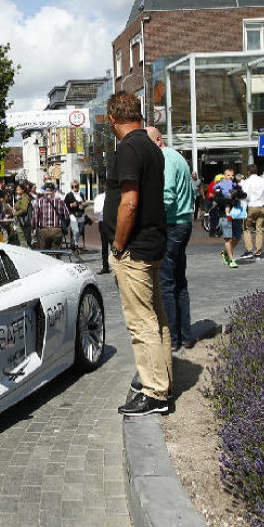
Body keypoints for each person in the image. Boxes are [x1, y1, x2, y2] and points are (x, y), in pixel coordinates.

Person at [102, 93, 170, 417]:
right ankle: (162, 380)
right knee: (157, 319)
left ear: (113, 119)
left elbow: (129, 203)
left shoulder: (129, 148)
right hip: (153, 244)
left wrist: (116, 247)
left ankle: (155, 393)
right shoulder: (153, 149)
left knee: (141, 324)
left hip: (135, 250)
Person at [146, 127, 195, 352]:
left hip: (172, 224)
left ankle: (172, 339)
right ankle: (186, 335)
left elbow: (167, 195)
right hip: (184, 221)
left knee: (166, 283)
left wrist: (153, 221)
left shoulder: (164, 158)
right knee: (179, 281)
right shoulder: (179, 158)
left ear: (158, 140)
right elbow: (191, 193)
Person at [239, 164, 264, 260]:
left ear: (248, 172)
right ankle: (258, 251)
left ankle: (249, 250)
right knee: (259, 229)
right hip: (262, 206)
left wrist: (243, 209)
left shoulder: (247, 182)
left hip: (252, 206)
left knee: (246, 228)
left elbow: (245, 196)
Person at [32, 183, 70, 249]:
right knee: (56, 252)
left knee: (44, 253)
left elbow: (34, 218)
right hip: (57, 230)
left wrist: (34, 230)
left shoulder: (39, 202)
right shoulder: (60, 201)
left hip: (44, 231)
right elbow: (67, 216)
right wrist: (63, 227)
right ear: (54, 192)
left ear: (44, 191)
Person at [7, 183, 31, 247]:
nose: (17, 191)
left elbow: (24, 209)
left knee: (23, 240)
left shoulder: (25, 198)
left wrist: (16, 213)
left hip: (22, 222)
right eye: (16, 189)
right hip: (20, 221)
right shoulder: (21, 198)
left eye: (18, 189)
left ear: (23, 190)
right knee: (21, 239)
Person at [64, 182, 86, 250]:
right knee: (75, 230)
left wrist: (84, 205)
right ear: (71, 187)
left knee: (80, 230)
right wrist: (71, 205)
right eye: (73, 186)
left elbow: (83, 203)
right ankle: (75, 246)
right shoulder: (69, 195)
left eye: (76, 186)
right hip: (72, 214)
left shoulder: (81, 194)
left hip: (80, 214)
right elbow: (65, 205)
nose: (75, 188)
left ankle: (73, 243)